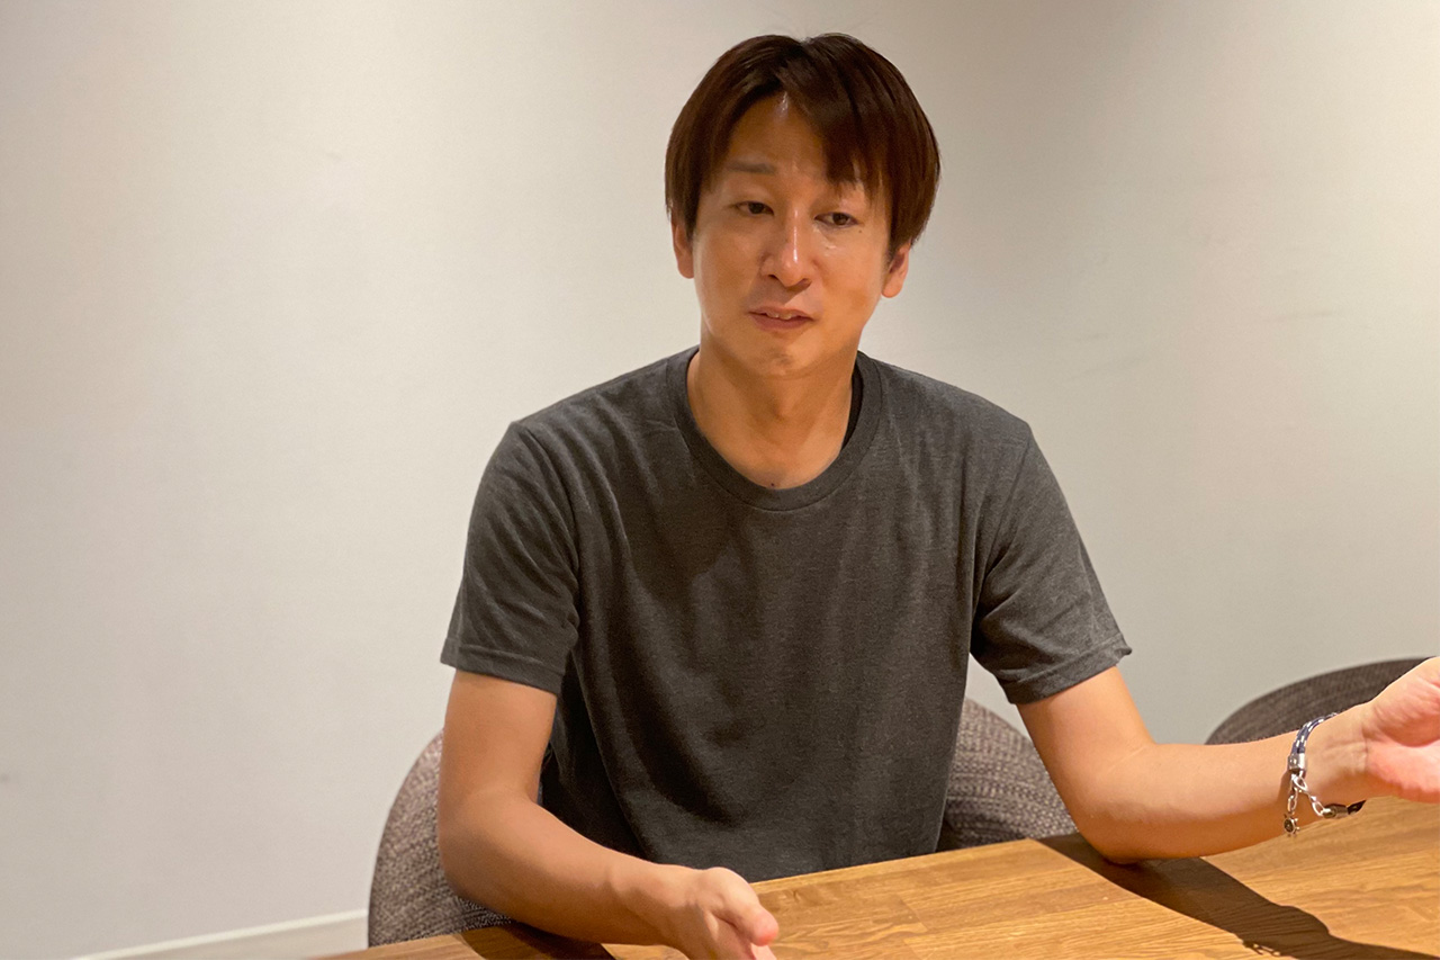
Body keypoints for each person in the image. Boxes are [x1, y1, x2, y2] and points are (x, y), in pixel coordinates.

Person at [434, 33, 1439, 960]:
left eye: (837, 218)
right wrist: (660, 903)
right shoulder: (559, 470)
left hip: (876, 936)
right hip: (623, 941)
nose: (790, 261)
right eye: (751, 208)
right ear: (683, 235)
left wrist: (1346, 749)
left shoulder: (977, 464)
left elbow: (1117, 786)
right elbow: (480, 820)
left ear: (896, 261)